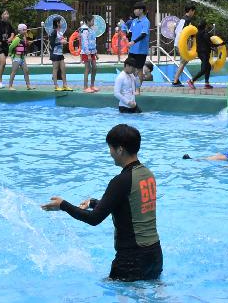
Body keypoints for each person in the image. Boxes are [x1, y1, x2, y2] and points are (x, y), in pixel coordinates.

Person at [42, 124, 162, 282]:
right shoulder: (147, 174)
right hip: (154, 256)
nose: (110, 152)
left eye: (111, 148)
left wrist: (63, 205)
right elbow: (129, 208)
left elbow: (94, 219)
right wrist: (93, 202)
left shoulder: (120, 181)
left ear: (120, 149)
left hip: (132, 260)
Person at [185, 20, 224, 90]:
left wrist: (212, 48)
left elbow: (203, 43)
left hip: (200, 53)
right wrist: (219, 45)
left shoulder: (197, 34)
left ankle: (207, 84)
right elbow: (209, 43)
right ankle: (191, 81)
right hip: (204, 53)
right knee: (203, 69)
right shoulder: (205, 33)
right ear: (205, 26)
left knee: (208, 67)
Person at [125, 2, 150, 90]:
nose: (134, 11)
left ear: (141, 10)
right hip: (132, 50)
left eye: (136, 9)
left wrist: (133, 42)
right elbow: (130, 33)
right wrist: (125, 36)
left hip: (141, 50)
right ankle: (129, 87)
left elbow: (143, 35)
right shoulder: (134, 21)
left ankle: (137, 89)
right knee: (128, 68)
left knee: (139, 69)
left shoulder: (146, 21)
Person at [172, 5, 196, 86]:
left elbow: (176, 31)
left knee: (184, 61)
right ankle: (175, 80)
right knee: (183, 62)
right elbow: (187, 33)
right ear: (190, 11)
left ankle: (176, 79)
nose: (194, 13)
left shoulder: (182, 19)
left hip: (177, 43)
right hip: (181, 44)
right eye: (193, 11)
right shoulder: (188, 20)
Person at [7, 24, 33, 90]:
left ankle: (28, 85)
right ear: (20, 30)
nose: (25, 31)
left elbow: (24, 45)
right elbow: (11, 47)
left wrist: (28, 43)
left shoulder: (24, 38)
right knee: (14, 71)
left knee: (26, 71)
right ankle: (10, 86)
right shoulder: (17, 39)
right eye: (23, 30)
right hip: (16, 57)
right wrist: (11, 54)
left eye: (26, 30)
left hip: (22, 57)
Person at [49, 18, 71, 91]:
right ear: (57, 23)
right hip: (55, 54)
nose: (61, 24)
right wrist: (61, 42)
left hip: (60, 54)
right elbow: (52, 44)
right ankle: (56, 85)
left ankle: (65, 85)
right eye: (60, 22)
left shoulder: (60, 33)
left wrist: (64, 41)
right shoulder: (54, 32)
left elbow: (60, 41)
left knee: (63, 69)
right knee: (55, 69)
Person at [79, 15, 99, 93]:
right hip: (86, 52)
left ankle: (92, 85)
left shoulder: (91, 29)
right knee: (87, 68)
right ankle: (85, 87)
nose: (93, 22)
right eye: (92, 21)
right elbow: (85, 42)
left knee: (94, 68)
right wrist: (88, 54)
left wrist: (95, 53)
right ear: (88, 21)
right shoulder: (84, 29)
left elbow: (93, 42)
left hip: (92, 52)